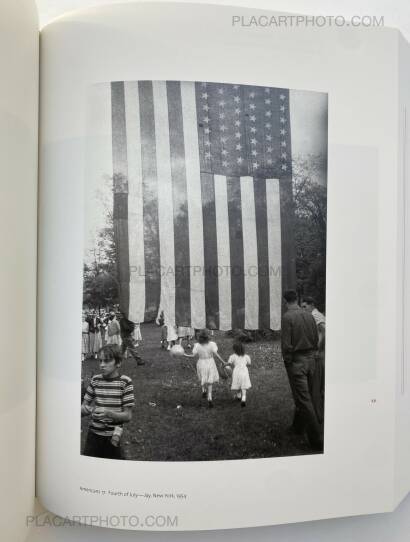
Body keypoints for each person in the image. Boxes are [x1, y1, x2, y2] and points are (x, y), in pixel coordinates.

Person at [281, 289, 323, 451]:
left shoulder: (287, 317)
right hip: (312, 359)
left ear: (285, 301)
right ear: (297, 299)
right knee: (309, 397)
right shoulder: (309, 314)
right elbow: (315, 338)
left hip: (297, 362)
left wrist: (288, 362)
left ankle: (316, 439)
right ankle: (297, 427)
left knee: (304, 400)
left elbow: (286, 345)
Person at [81, 344, 134, 459]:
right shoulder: (95, 380)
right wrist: (86, 410)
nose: (102, 365)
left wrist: (109, 414)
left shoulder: (125, 382)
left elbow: (128, 416)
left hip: (114, 436)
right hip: (93, 435)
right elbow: (82, 409)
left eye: (107, 361)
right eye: (100, 361)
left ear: (118, 363)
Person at [184, 329, 225, 408]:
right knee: (210, 381)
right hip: (210, 363)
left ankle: (203, 390)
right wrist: (223, 362)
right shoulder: (212, 344)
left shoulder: (197, 345)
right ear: (208, 337)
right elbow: (216, 354)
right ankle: (209, 398)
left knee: (203, 377)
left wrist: (185, 355)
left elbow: (193, 355)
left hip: (201, 363)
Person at [302, 296, 326, 402]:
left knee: (316, 384)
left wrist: (319, 349)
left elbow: (324, 331)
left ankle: (318, 413)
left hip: (319, 353)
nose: (303, 309)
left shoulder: (315, 315)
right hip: (320, 352)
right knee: (319, 384)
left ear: (311, 305)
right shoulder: (315, 314)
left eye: (305, 306)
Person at [226, 341, 251, 407]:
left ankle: (238, 396)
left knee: (238, 384)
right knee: (243, 385)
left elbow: (229, 363)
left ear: (234, 349)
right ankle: (243, 398)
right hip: (244, 371)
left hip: (236, 372)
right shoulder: (246, 356)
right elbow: (249, 363)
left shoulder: (232, 356)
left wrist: (225, 364)